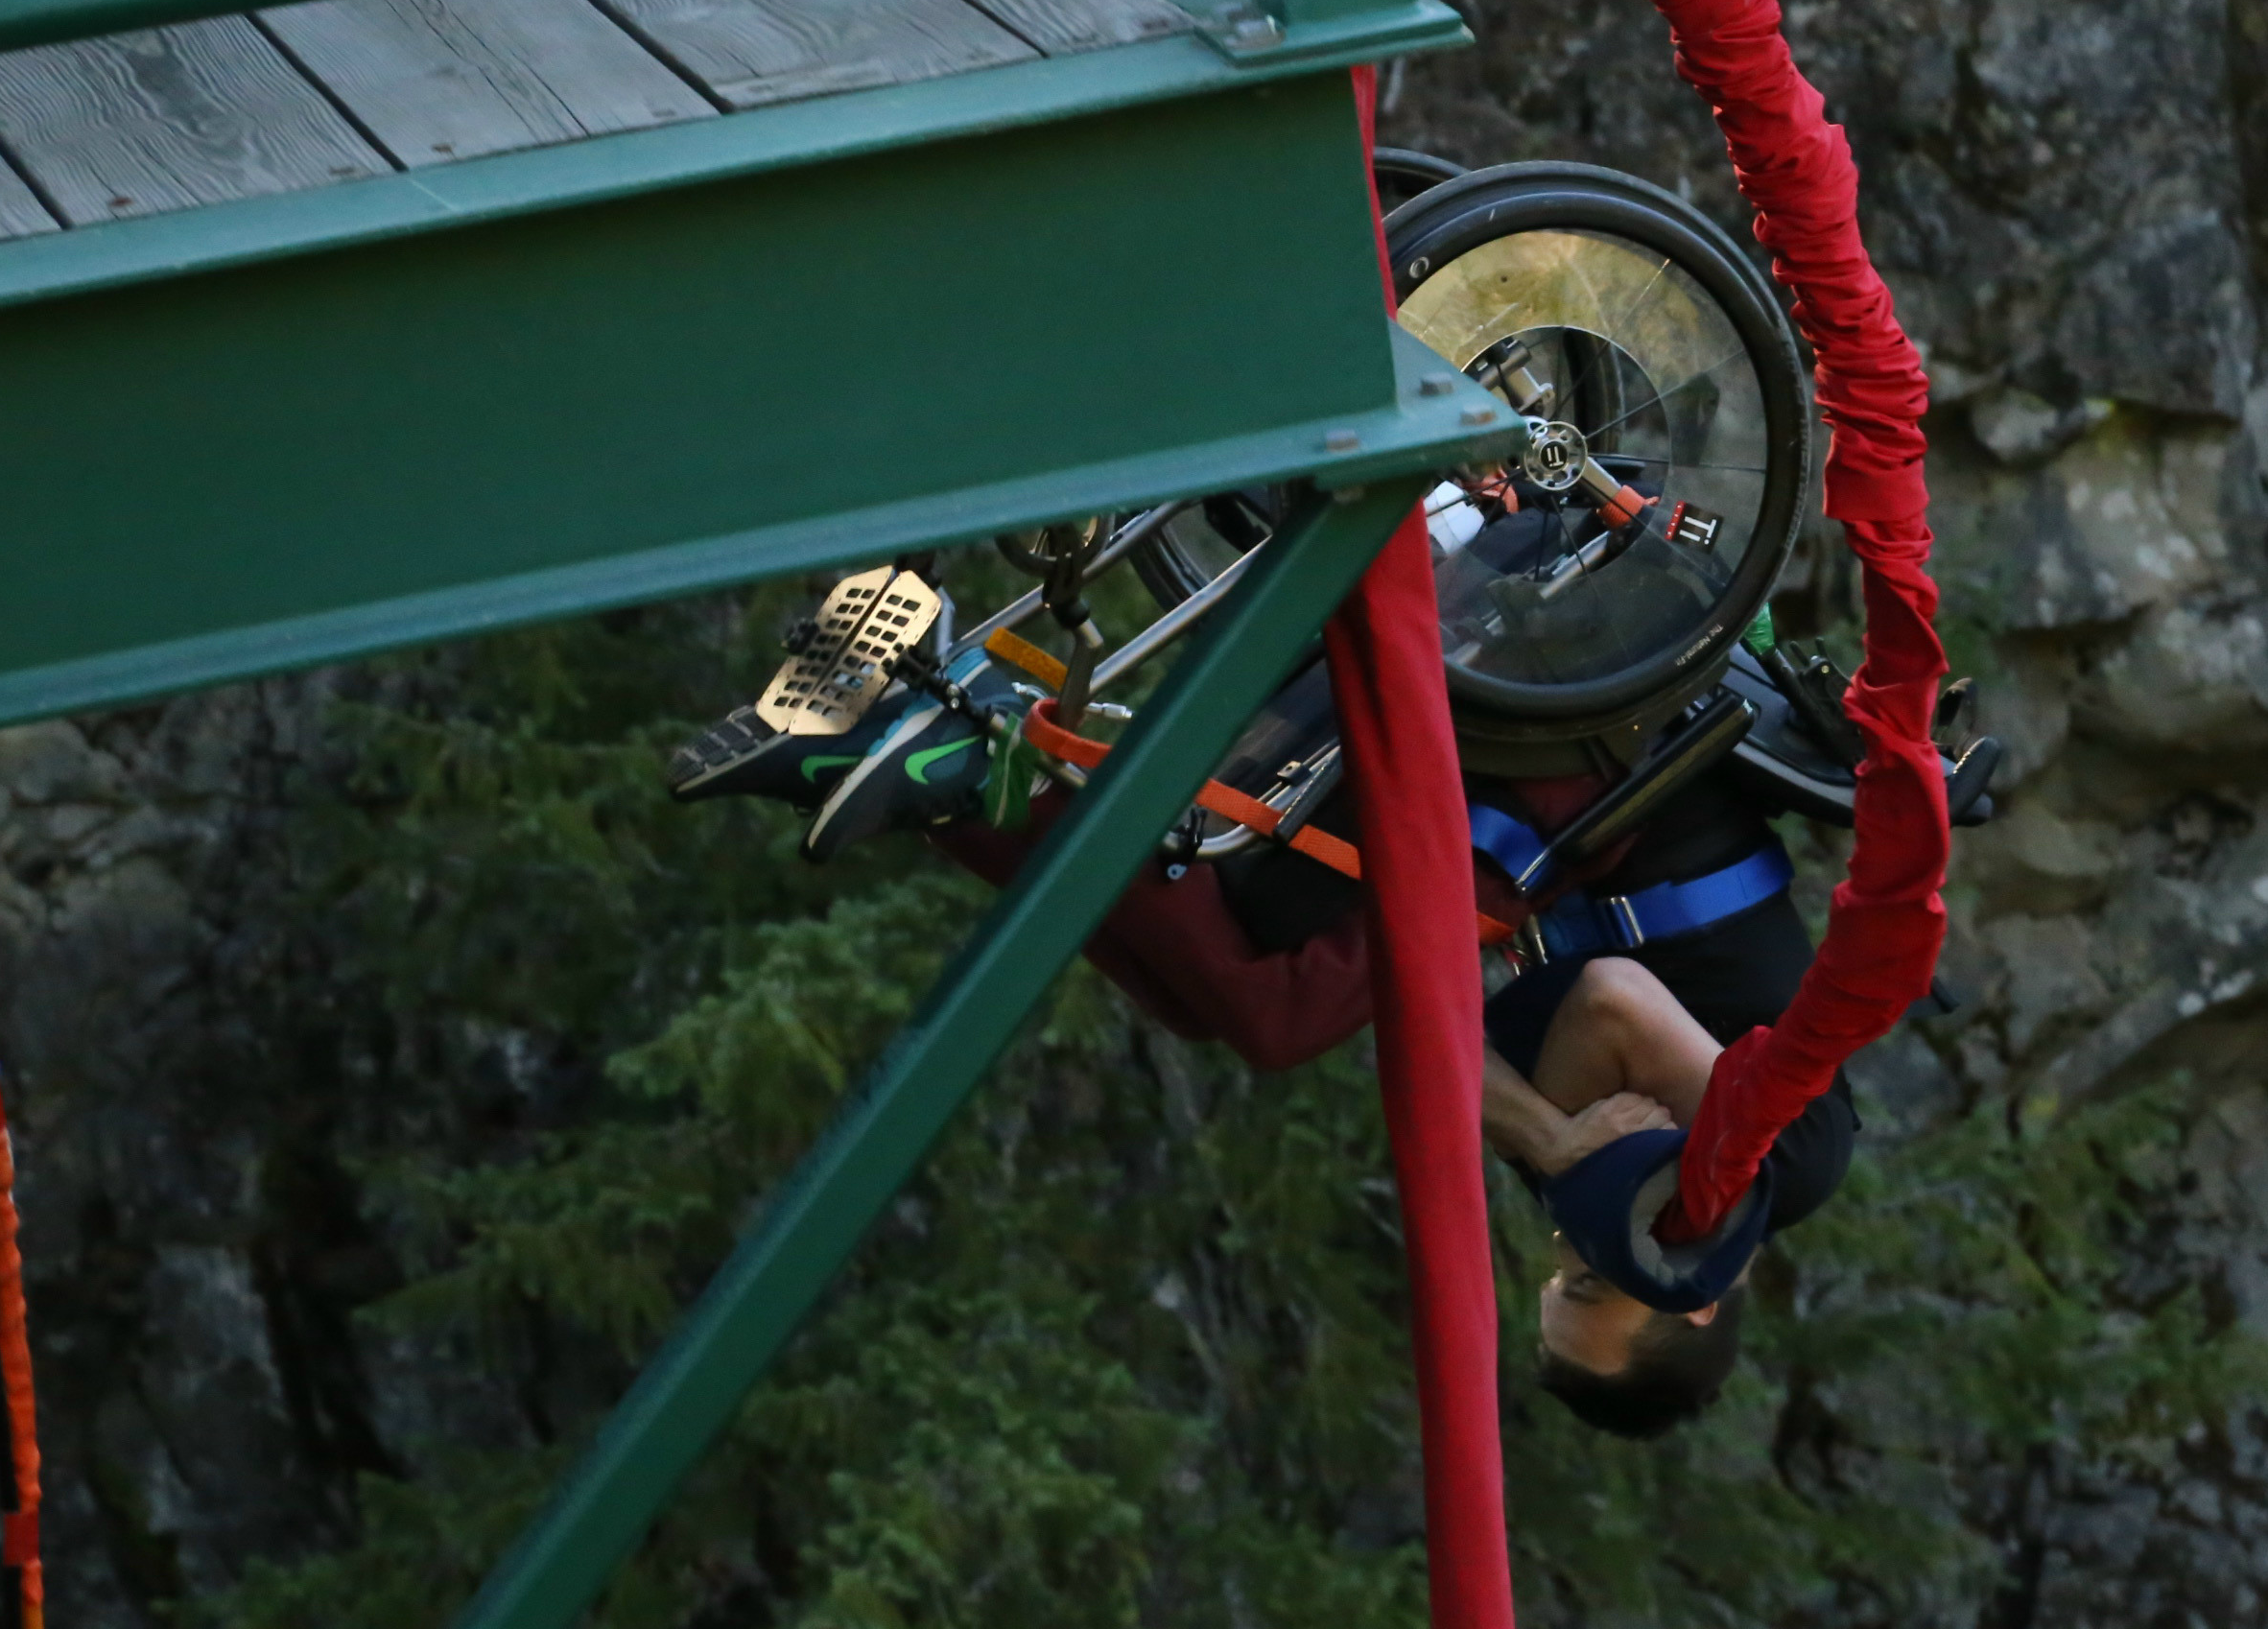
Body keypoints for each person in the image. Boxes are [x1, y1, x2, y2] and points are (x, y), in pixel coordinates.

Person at [672, 578, 1991, 1436]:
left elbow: (1433, 1049)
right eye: (1593, 1276)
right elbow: (1609, 991)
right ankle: (969, 765)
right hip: (1606, 786)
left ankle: (943, 749)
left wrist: (1537, 1124)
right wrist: (1538, 1129)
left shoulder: (1595, 1160)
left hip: (1527, 830)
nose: (1571, 1243)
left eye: (1557, 1273)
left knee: (1236, 980)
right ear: (1691, 1294)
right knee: (1275, 1012)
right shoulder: (1770, 1170)